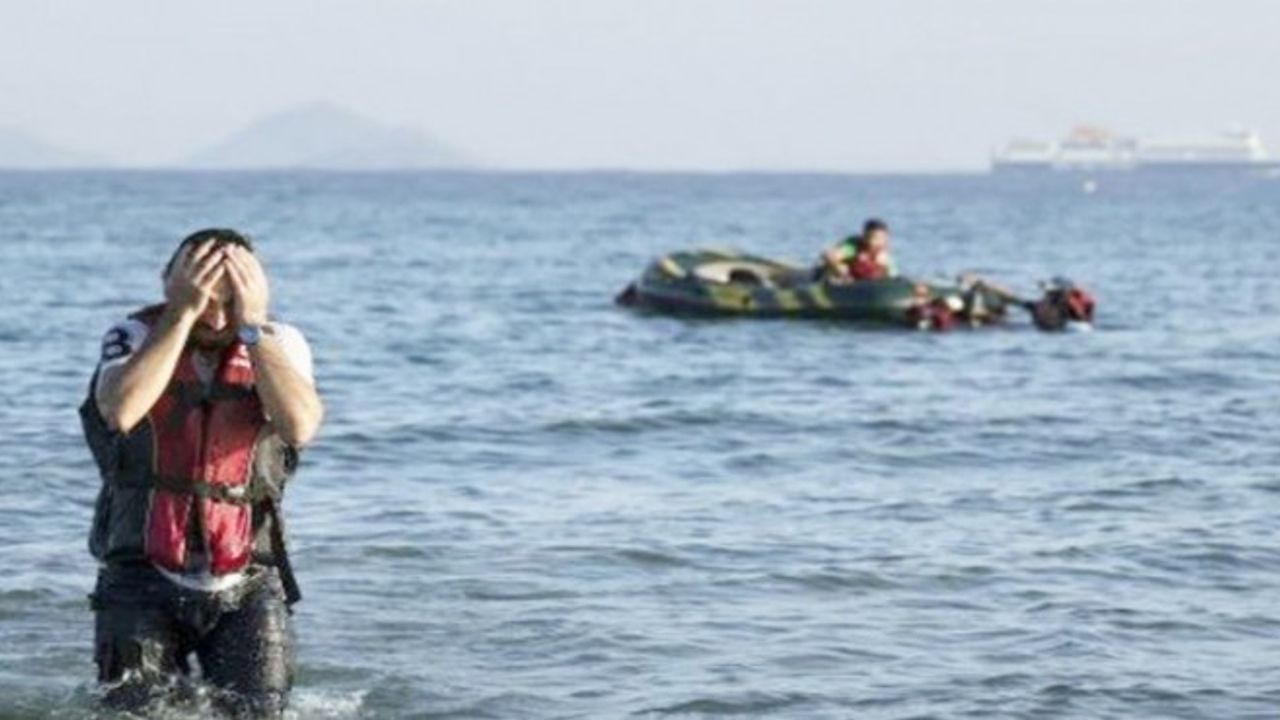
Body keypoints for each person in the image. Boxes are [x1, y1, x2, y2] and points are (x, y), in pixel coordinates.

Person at [79, 228, 323, 718]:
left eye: (231, 300)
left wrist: (251, 325)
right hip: (139, 575)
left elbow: (299, 426)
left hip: (248, 579)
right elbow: (121, 411)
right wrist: (181, 313)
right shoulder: (133, 336)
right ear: (169, 282)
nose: (216, 315)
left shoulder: (280, 343)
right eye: (205, 297)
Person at [821, 218, 898, 281]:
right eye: (874, 237)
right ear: (864, 236)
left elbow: (895, 277)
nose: (877, 242)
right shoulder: (853, 246)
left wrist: (885, 268)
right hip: (847, 281)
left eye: (881, 238)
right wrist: (842, 272)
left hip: (869, 285)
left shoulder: (885, 256)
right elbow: (830, 256)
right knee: (841, 268)